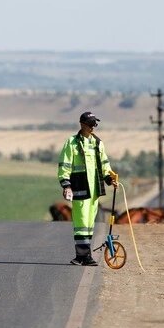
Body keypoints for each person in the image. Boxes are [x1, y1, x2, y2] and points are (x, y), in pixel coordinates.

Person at [58, 111, 116, 266]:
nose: (93, 127)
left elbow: (104, 164)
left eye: (94, 124)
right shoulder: (72, 142)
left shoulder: (98, 143)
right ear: (82, 124)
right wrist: (66, 185)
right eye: (90, 124)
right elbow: (65, 165)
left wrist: (109, 178)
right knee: (81, 223)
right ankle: (83, 256)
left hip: (94, 191)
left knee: (89, 224)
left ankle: (83, 256)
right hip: (80, 188)